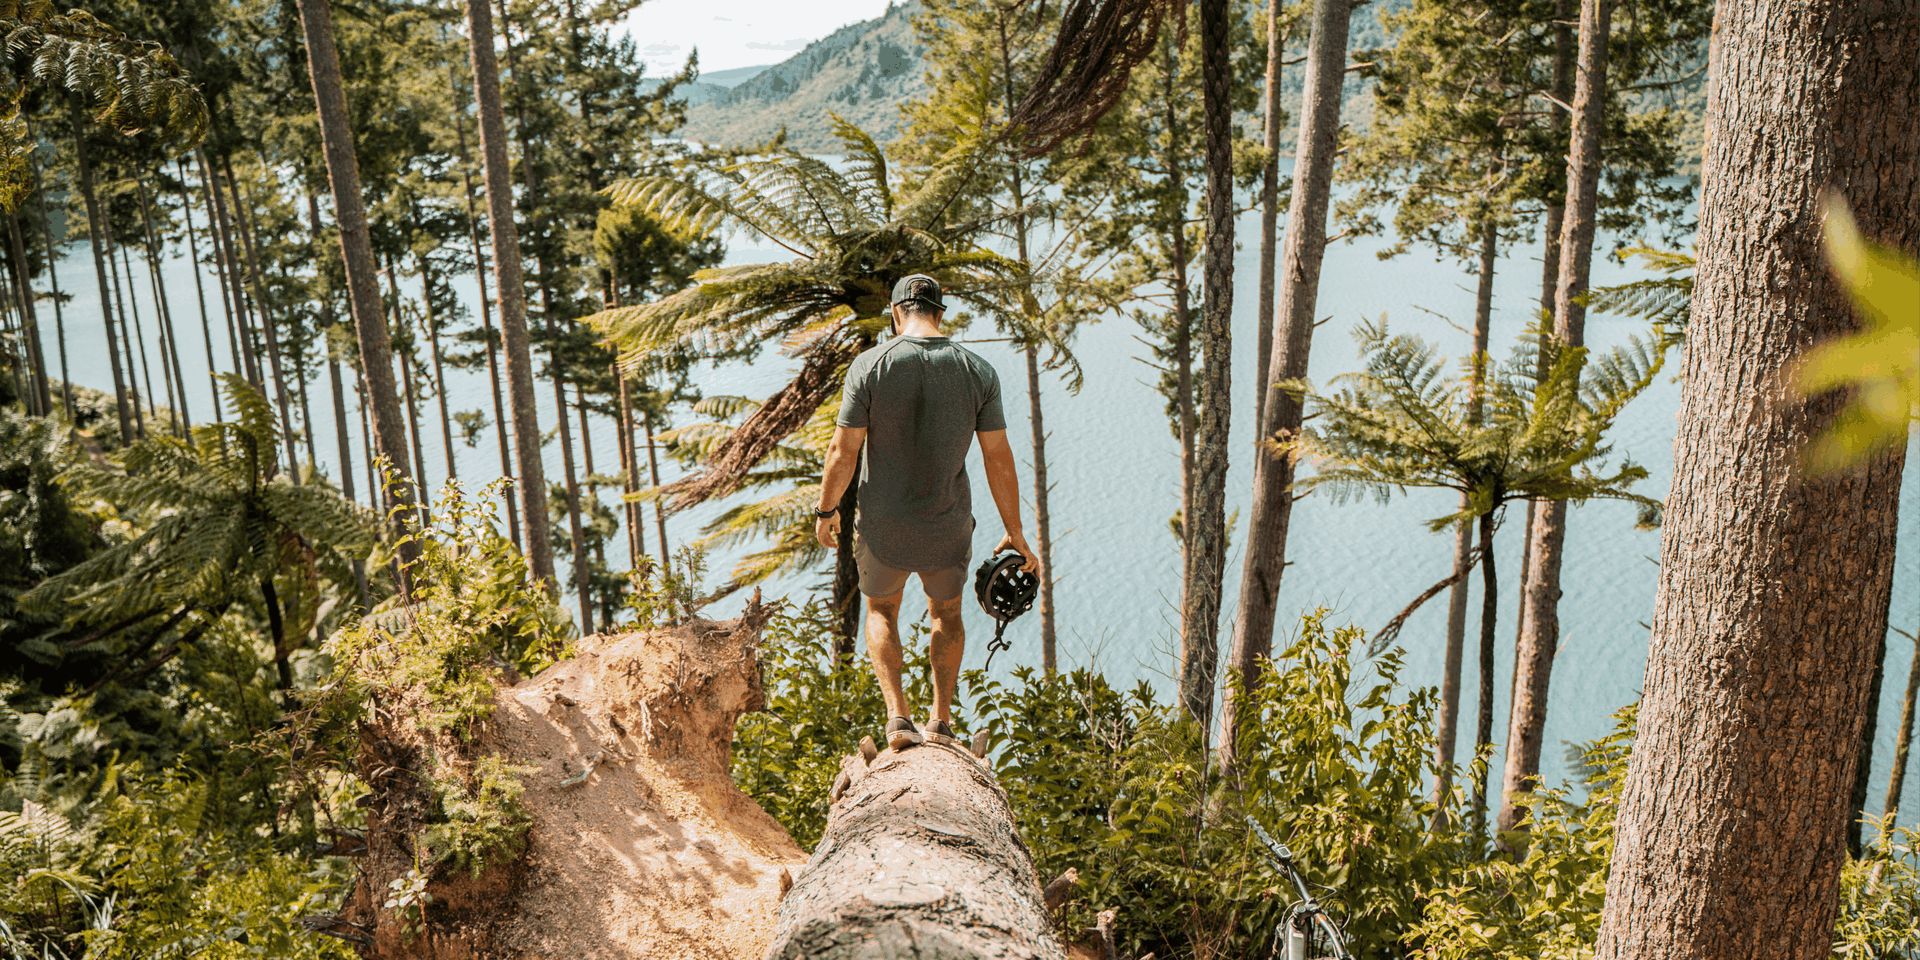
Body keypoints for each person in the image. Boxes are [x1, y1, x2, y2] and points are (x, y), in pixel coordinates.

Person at [813, 274, 1041, 751]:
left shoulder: (869, 366)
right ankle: (940, 722)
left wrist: (826, 509)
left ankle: (898, 719)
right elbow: (998, 455)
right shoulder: (977, 371)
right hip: (947, 525)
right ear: (941, 312)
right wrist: (1015, 531)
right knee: (947, 614)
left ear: (897, 313)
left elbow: (842, 450)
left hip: (882, 528)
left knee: (880, 610)